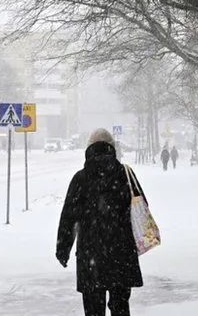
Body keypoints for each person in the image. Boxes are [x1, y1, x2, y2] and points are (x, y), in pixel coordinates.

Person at [57, 128, 146, 316]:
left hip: (91, 256)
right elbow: (142, 206)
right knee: (120, 307)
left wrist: (63, 250)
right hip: (121, 253)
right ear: (112, 147)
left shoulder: (80, 179)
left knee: (93, 309)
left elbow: (68, 217)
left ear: (89, 148)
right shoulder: (125, 174)